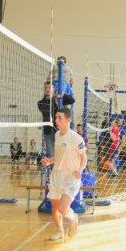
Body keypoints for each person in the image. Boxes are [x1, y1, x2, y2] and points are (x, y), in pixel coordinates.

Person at [40, 107, 87, 242]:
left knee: (62, 208)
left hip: (71, 177)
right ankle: (60, 231)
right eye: (56, 117)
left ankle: (73, 217)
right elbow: (59, 156)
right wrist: (49, 161)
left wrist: (80, 170)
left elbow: (84, 157)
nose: (56, 120)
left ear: (68, 120)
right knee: (55, 209)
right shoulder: (56, 135)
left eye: (60, 118)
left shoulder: (76, 138)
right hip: (56, 176)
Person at [38, 79, 76, 168]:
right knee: (51, 154)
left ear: (53, 89)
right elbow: (48, 111)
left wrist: (60, 96)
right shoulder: (41, 103)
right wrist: (54, 99)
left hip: (60, 131)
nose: (47, 89)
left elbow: (72, 100)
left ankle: (64, 170)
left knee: (63, 152)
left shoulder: (60, 99)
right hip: (48, 132)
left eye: (49, 87)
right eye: (45, 88)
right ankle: (54, 173)